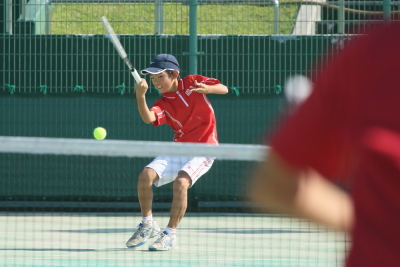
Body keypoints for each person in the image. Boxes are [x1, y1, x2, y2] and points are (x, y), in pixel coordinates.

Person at [250, 22, 400, 267]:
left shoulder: (373, 49)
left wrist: (377, 224)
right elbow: (275, 186)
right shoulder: (372, 51)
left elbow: (274, 186)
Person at [126, 54, 228, 251]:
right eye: (153, 78)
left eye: (160, 77)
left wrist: (208, 89)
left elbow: (224, 88)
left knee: (181, 182)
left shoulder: (192, 82)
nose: (156, 82)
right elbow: (149, 118)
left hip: (205, 147)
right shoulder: (163, 103)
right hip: (179, 148)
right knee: (145, 176)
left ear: (174, 74)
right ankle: (147, 223)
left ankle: (170, 234)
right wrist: (140, 96)